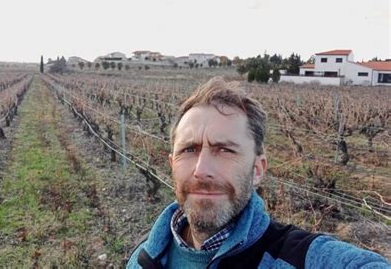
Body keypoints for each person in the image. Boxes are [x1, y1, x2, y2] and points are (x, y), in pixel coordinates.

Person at [127, 77, 389, 269]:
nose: (201, 171)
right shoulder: (143, 258)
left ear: (258, 169)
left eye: (225, 150)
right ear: (172, 163)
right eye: (189, 150)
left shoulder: (299, 259)